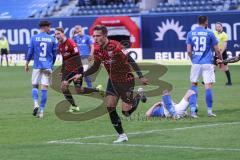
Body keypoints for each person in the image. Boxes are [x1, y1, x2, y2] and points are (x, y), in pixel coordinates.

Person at [73, 25, 149, 143]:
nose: (95, 38)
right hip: (112, 80)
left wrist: (141, 76)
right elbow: (96, 67)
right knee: (110, 107)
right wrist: (82, 74)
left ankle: (137, 96)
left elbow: (130, 60)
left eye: (98, 36)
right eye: (94, 36)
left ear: (105, 35)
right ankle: (122, 135)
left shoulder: (116, 46)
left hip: (126, 80)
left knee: (126, 112)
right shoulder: (98, 49)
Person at [55, 27, 101, 112]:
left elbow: (77, 58)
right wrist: (62, 70)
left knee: (79, 90)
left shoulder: (71, 43)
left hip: (76, 69)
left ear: (63, 34)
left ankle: (96, 90)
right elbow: (64, 58)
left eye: (58, 33)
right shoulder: (60, 45)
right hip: (67, 70)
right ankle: (74, 106)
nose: (56, 36)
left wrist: (80, 73)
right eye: (55, 34)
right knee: (63, 87)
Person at [186, 15, 221, 118]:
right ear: (205, 22)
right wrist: (220, 60)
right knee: (208, 87)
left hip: (196, 63)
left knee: (194, 86)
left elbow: (188, 51)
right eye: (207, 22)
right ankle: (209, 111)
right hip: (207, 63)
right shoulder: (210, 33)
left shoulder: (190, 33)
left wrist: (193, 60)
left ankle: (193, 112)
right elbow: (217, 50)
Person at [25, 21, 57, 118]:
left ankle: (36, 104)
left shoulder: (34, 38)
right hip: (47, 66)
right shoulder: (52, 39)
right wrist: (52, 64)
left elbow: (30, 52)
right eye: (49, 27)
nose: (50, 29)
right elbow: (54, 55)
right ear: (45, 27)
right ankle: (41, 111)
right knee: (44, 88)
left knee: (35, 85)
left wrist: (26, 63)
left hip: (37, 66)